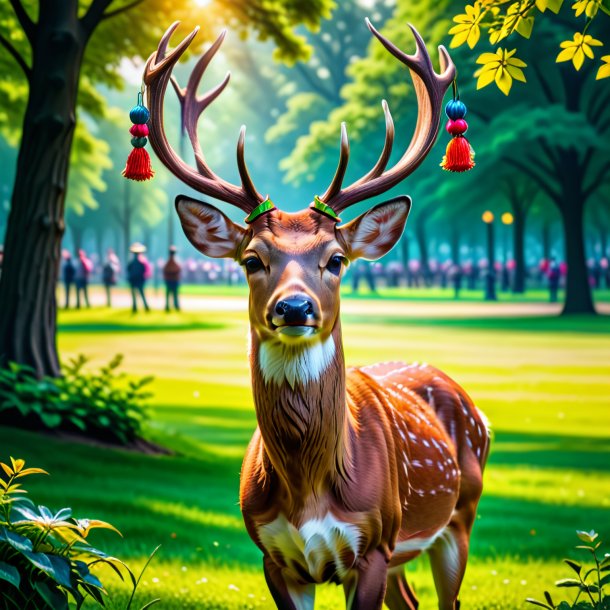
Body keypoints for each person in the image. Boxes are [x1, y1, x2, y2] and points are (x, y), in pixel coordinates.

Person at [127, 242, 150, 313]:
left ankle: (136, 307)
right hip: (138, 280)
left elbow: (128, 269)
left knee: (136, 294)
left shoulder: (132, 262)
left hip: (135, 279)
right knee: (141, 293)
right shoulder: (142, 262)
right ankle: (144, 307)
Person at [163, 246, 182, 311]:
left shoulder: (171, 261)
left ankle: (173, 306)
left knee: (172, 294)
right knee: (173, 294)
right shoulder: (174, 261)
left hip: (172, 280)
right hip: (172, 280)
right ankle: (172, 306)